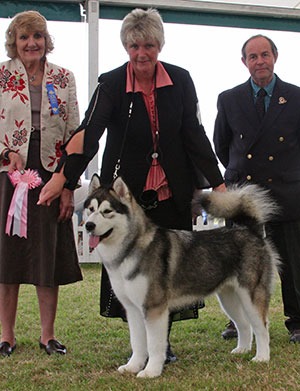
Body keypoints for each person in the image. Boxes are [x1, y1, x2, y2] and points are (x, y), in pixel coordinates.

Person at [38, 8, 225, 361]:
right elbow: (88, 133)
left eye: (150, 45)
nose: (142, 53)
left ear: (160, 46)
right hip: (125, 196)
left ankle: (161, 347)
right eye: (135, 45)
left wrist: (218, 182)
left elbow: (194, 134)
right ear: (126, 46)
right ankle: (141, 349)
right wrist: (64, 175)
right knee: (128, 273)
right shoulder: (110, 83)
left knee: (166, 273)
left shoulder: (181, 80)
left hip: (172, 188)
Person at [0, 10, 82, 357]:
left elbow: (76, 132)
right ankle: (6, 336)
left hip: (53, 171)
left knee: (47, 256)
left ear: (46, 41)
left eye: (38, 36)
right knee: (8, 256)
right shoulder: (1, 76)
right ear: (13, 43)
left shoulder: (64, 78)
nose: (31, 43)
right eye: (24, 37)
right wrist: (6, 154)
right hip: (9, 174)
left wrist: (68, 185)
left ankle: (48, 335)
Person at [213, 34, 300, 343]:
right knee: (237, 262)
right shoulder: (229, 98)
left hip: (286, 191)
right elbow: (221, 145)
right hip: (243, 194)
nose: (259, 61)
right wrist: (238, 173)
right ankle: (239, 322)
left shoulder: (296, 96)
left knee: (292, 262)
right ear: (244, 62)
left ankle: (297, 322)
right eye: (253, 56)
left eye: (265, 54)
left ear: (275, 57)